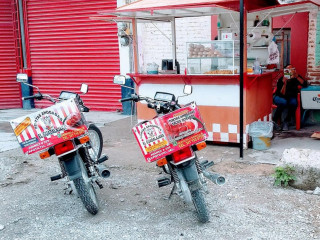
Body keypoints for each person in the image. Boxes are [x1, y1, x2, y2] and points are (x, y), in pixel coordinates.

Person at [273, 65, 308, 131]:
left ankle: (286, 121)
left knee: (294, 102)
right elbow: (281, 93)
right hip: (280, 96)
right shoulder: (281, 79)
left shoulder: (296, 78)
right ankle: (274, 121)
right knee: (283, 102)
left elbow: (305, 84)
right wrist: (285, 83)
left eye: (291, 69)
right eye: (288, 69)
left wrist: (297, 76)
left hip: (291, 97)